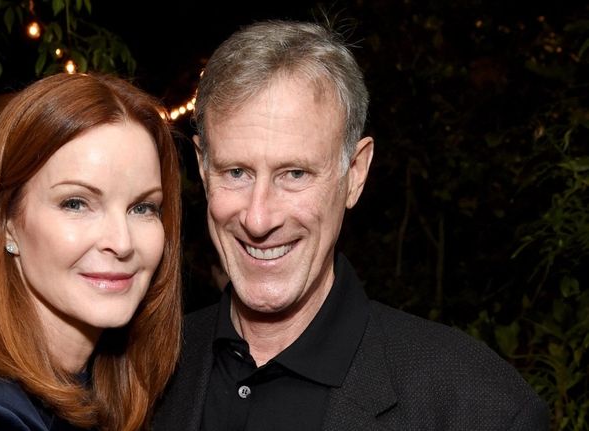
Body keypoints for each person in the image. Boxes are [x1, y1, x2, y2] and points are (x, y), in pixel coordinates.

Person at [153, 20, 548, 430]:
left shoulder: (476, 405)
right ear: (202, 167)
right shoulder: (141, 375)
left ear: (355, 174)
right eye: (236, 172)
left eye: (295, 174)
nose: (258, 218)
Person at [0, 73, 182, 431]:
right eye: (76, 203)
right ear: (7, 221)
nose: (122, 241)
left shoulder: (92, 385)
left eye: (143, 207)